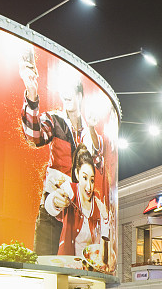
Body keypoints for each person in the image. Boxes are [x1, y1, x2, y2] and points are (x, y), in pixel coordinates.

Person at [20, 55, 104, 256]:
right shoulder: (54, 119)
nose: (66, 94)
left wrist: (92, 129)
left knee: (76, 269)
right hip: (52, 209)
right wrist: (31, 92)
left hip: (79, 215)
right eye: (64, 90)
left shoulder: (89, 133)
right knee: (43, 266)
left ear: (80, 96)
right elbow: (34, 136)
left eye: (71, 90)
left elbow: (98, 158)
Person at [44, 144, 109, 257]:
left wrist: (105, 218)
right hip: (69, 263)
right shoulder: (70, 189)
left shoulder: (97, 200)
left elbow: (105, 237)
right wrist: (55, 201)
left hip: (91, 265)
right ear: (76, 174)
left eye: (92, 180)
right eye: (84, 178)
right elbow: (50, 205)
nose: (89, 186)